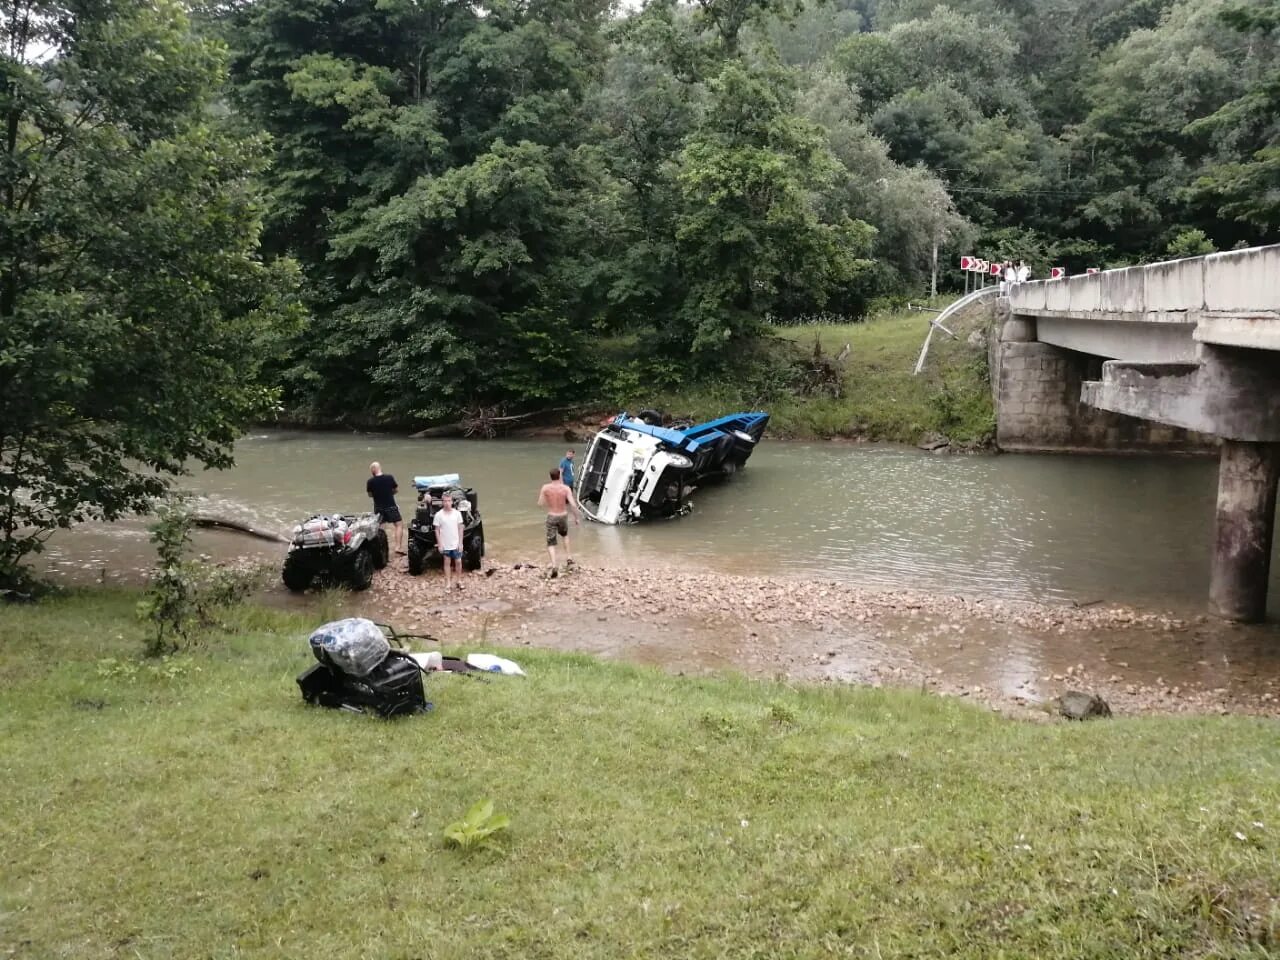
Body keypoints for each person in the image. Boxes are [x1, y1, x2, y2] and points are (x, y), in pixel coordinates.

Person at [537, 467, 580, 578]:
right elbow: (573, 504)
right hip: (563, 516)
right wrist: (576, 518)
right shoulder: (566, 488)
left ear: (550, 476)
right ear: (559, 475)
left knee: (551, 542)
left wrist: (549, 500)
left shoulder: (545, 488)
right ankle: (569, 558)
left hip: (552, 515)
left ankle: (554, 564)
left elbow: (540, 503)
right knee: (565, 535)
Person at [366, 462, 403, 554]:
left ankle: (381, 550)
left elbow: (370, 495)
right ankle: (398, 547)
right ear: (380, 468)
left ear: (372, 470)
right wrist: (389, 493)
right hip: (391, 506)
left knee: (380, 529)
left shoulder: (370, 481)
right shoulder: (389, 478)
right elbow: (396, 490)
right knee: (398, 525)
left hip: (379, 508)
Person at [433, 490, 465, 593]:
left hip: (455, 543)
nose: (447, 503)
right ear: (442, 502)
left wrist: (460, 543)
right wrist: (440, 544)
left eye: (449, 501)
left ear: (452, 502)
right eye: (445, 501)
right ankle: (448, 584)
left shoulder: (457, 514)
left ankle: (459, 581)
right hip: (445, 544)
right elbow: (437, 530)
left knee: (458, 562)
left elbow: (460, 528)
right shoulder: (438, 515)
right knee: (447, 562)